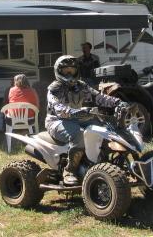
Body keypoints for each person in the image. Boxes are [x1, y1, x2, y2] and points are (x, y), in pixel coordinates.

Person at [46, 55, 129, 185]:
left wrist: (118, 102)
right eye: (66, 71)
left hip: (78, 117)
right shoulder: (54, 89)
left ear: (76, 71)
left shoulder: (81, 85)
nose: (69, 74)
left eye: (71, 71)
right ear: (59, 71)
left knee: (105, 130)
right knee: (78, 135)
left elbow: (99, 97)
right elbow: (59, 108)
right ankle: (70, 170)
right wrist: (76, 112)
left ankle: (100, 162)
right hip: (56, 120)